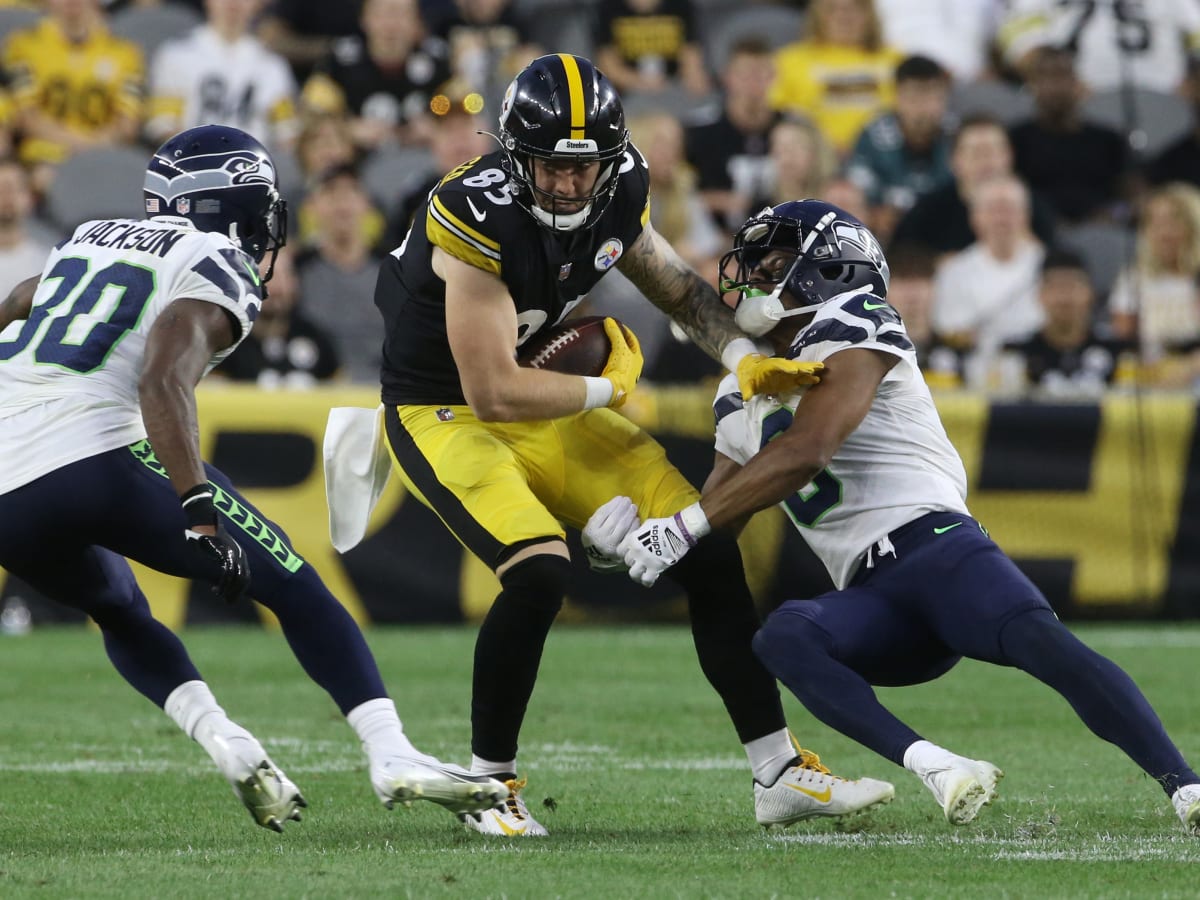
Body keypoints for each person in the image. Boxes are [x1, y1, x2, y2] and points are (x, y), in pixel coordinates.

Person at [358, 53, 895, 837]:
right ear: (515, 156)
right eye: (551, 166)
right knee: (539, 574)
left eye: (586, 167)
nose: (571, 185)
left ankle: (778, 773)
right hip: (446, 411)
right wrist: (613, 389)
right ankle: (489, 786)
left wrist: (744, 359)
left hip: (546, 403)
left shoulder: (622, 190)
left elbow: (675, 287)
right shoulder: (476, 213)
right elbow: (493, 392)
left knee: (708, 548)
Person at [595, 198, 1200, 835]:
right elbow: (714, 524)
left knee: (1044, 645)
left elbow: (807, 451)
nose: (751, 277)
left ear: (827, 270)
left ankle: (1185, 786)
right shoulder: (735, 391)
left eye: (771, 262)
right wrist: (629, 545)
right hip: (871, 595)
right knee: (783, 637)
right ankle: (938, 766)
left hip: (939, 551)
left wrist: (679, 528)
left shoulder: (856, 319)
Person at [0, 124, 506, 832]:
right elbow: (161, 379)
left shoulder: (87, 234)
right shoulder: (216, 259)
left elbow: (26, 298)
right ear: (226, 205)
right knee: (294, 583)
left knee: (117, 608)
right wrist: (197, 507)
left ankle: (227, 742)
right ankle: (391, 752)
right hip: (94, 453)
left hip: (5, 487)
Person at [2, 0, 144, 196]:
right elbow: (27, 117)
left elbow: (127, 124)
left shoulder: (124, 51)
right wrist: (83, 146)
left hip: (104, 155)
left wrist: (92, 149)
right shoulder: (24, 45)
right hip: (43, 155)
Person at [1006, 46, 1130, 226]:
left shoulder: (1108, 139)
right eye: (1044, 77)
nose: (1053, 86)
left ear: (1076, 82)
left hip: (1099, 233)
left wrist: (1113, 214)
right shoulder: (1015, 139)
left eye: (1061, 75)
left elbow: (1132, 197)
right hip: (1036, 232)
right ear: (1031, 85)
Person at [768, 0, 904, 154]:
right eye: (832, 9)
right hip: (814, 159)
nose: (843, 16)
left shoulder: (896, 62)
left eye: (854, 8)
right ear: (817, 15)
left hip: (882, 158)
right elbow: (776, 117)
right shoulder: (787, 62)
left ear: (869, 14)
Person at [1000, 246, 1135, 398]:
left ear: (1090, 293)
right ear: (1040, 295)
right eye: (1056, 287)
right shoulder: (1017, 354)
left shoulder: (1118, 351)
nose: (1064, 298)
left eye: (1072, 286)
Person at [845, 54, 954, 244]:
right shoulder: (873, 135)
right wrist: (875, 211)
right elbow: (859, 193)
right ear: (897, 97)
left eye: (931, 96)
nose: (922, 108)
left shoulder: (957, 136)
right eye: (913, 97)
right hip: (886, 237)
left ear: (944, 98)